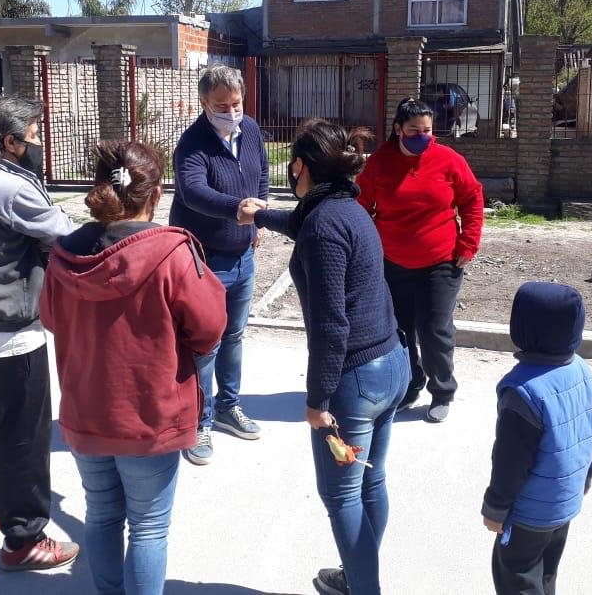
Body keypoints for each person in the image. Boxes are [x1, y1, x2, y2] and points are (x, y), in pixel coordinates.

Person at [40, 141, 226, 595]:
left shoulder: (66, 252)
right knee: (147, 528)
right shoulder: (171, 253)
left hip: (86, 410)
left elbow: (49, 317)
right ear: (157, 194)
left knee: (101, 514)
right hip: (149, 415)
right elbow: (210, 327)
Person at [240, 119, 409, 595]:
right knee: (369, 483)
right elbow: (300, 222)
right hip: (392, 362)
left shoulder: (322, 226)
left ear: (299, 166)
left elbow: (331, 326)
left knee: (341, 497)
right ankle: (361, 574)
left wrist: (318, 400)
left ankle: (364, 587)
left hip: (357, 379)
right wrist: (260, 214)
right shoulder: (347, 206)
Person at [0, 95, 79, 571]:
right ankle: (24, 538)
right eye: (34, 133)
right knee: (23, 435)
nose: (39, 140)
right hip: (12, 329)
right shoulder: (9, 187)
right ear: (11, 142)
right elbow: (65, 234)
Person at [356, 97, 484, 423]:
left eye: (427, 130)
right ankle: (409, 386)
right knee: (399, 331)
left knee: (434, 329)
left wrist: (468, 244)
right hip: (392, 264)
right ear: (398, 129)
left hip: (441, 262)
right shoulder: (379, 163)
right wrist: (368, 247)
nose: (422, 136)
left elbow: (472, 198)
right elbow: (361, 206)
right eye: (414, 130)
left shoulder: (447, 160)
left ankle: (442, 391)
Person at [170, 63, 270, 465]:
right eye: (221, 105)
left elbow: (261, 173)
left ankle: (228, 407)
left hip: (243, 256)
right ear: (203, 103)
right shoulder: (192, 143)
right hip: (203, 260)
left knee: (234, 337)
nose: (231, 111)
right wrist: (236, 210)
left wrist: (257, 215)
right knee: (204, 345)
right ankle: (198, 422)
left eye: (236, 103)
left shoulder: (251, 130)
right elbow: (193, 193)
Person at [482, 282, 592, 595]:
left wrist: (495, 508)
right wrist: (584, 480)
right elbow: (589, 432)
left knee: (517, 578)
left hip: (528, 514)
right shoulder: (582, 371)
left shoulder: (523, 391)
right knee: (546, 575)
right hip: (564, 501)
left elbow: (510, 462)